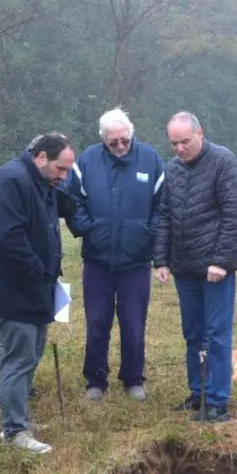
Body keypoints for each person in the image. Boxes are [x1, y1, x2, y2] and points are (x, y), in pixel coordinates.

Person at [0, 133, 75, 452]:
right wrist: (38, 270)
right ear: (42, 157)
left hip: (38, 289)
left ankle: (19, 416)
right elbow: (10, 237)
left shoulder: (42, 183)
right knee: (19, 357)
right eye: (61, 169)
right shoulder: (11, 181)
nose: (64, 177)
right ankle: (15, 432)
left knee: (28, 354)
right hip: (13, 289)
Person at [153, 111, 237, 422]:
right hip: (184, 268)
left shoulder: (223, 161)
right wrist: (161, 260)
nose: (180, 149)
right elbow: (164, 216)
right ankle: (198, 393)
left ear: (200, 133)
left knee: (217, 333)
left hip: (215, 270)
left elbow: (233, 214)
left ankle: (218, 401)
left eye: (185, 141)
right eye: (174, 143)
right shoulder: (173, 170)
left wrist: (221, 261)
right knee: (193, 333)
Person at [67, 108, 165, 402]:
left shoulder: (150, 158)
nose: (121, 147)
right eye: (114, 143)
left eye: (125, 140)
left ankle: (133, 378)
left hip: (136, 261)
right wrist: (87, 228)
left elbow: (163, 203)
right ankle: (95, 380)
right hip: (97, 261)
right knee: (97, 322)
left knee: (134, 324)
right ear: (103, 140)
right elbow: (72, 200)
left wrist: (149, 232)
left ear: (131, 136)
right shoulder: (86, 161)